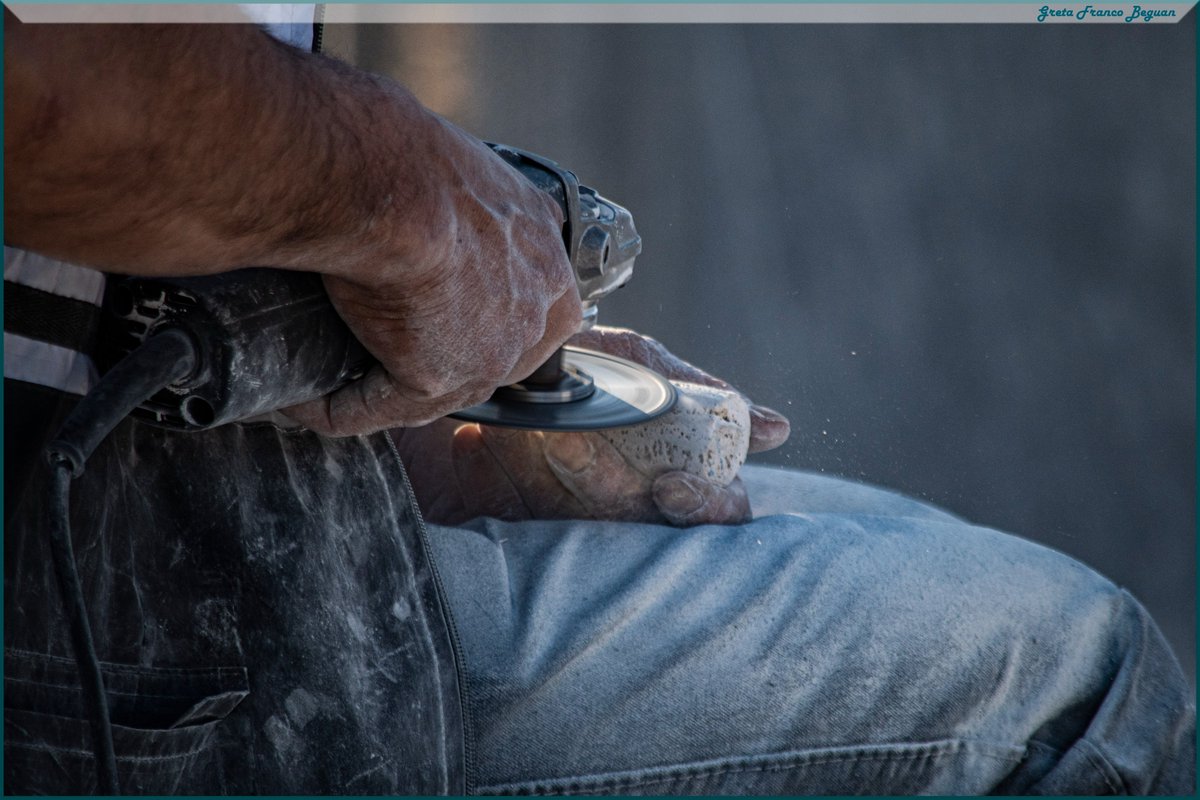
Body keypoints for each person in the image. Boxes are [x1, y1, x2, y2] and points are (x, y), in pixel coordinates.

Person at [4, 12, 1193, 796]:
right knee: (1076, 675)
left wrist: (416, 422)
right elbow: (41, 93)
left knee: (888, 543)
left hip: (206, 489)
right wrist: (408, 192)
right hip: (97, 617)